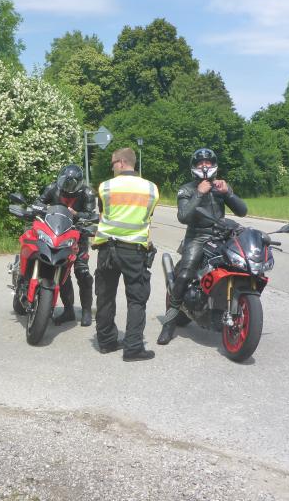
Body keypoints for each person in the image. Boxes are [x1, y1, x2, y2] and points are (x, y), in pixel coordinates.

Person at [157, 148, 248, 345]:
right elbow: (183, 216)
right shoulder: (187, 189)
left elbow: (242, 211)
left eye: (208, 162)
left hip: (221, 235)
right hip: (197, 236)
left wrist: (229, 193)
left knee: (240, 264)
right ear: (194, 167)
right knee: (184, 274)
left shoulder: (220, 187)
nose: (204, 166)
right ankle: (169, 324)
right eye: (200, 163)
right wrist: (199, 193)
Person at [92, 147, 159, 361]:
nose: (112, 168)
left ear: (121, 162)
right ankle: (133, 348)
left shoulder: (105, 187)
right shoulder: (151, 189)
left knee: (105, 297)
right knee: (137, 299)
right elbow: (148, 217)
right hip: (134, 251)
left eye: (112, 164)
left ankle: (106, 342)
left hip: (107, 250)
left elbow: (102, 215)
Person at [35, 164, 98, 327]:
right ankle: (68, 310)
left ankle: (86, 311)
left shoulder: (87, 193)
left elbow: (92, 215)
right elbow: (38, 202)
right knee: (60, 270)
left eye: (72, 183)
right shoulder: (52, 188)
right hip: (56, 232)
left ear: (79, 183)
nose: (68, 186)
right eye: (65, 182)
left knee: (82, 272)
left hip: (78, 235)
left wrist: (78, 214)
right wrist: (42, 208)